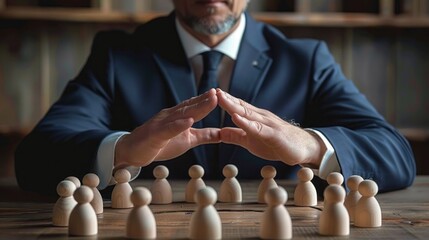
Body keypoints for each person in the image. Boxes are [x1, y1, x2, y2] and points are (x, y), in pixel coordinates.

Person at [15, 0, 415, 196]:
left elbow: (395, 154)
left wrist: (309, 144)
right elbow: (35, 159)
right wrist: (124, 148)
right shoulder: (118, 56)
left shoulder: (306, 60)